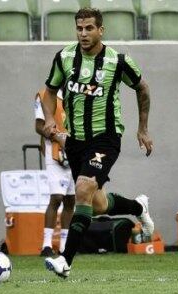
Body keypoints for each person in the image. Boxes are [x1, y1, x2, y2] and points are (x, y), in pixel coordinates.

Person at [42, 8, 154, 278]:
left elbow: (142, 88)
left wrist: (142, 128)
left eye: (89, 28)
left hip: (106, 137)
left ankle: (65, 261)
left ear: (100, 30)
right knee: (97, 203)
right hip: (75, 140)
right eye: (79, 28)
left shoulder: (118, 61)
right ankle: (139, 207)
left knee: (82, 188)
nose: (83, 33)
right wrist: (48, 119)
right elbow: (49, 91)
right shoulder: (65, 57)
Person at [34, 88, 75, 257]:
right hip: (54, 151)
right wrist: (58, 137)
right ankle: (46, 245)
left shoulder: (78, 92)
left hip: (74, 151)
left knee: (70, 199)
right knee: (56, 197)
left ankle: (64, 246)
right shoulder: (45, 94)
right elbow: (38, 126)